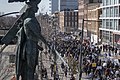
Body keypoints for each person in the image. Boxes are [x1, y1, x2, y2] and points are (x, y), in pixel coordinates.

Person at [15, 1, 50, 80]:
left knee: (32, 67)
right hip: (30, 47)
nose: (37, 8)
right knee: (30, 68)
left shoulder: (31, 19)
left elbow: (31, 36)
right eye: (35, 6)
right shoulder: (29, 21)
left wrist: (38, 46)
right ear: (31, 8)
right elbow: (37, 34)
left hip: (32, 45)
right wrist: (47, 44)